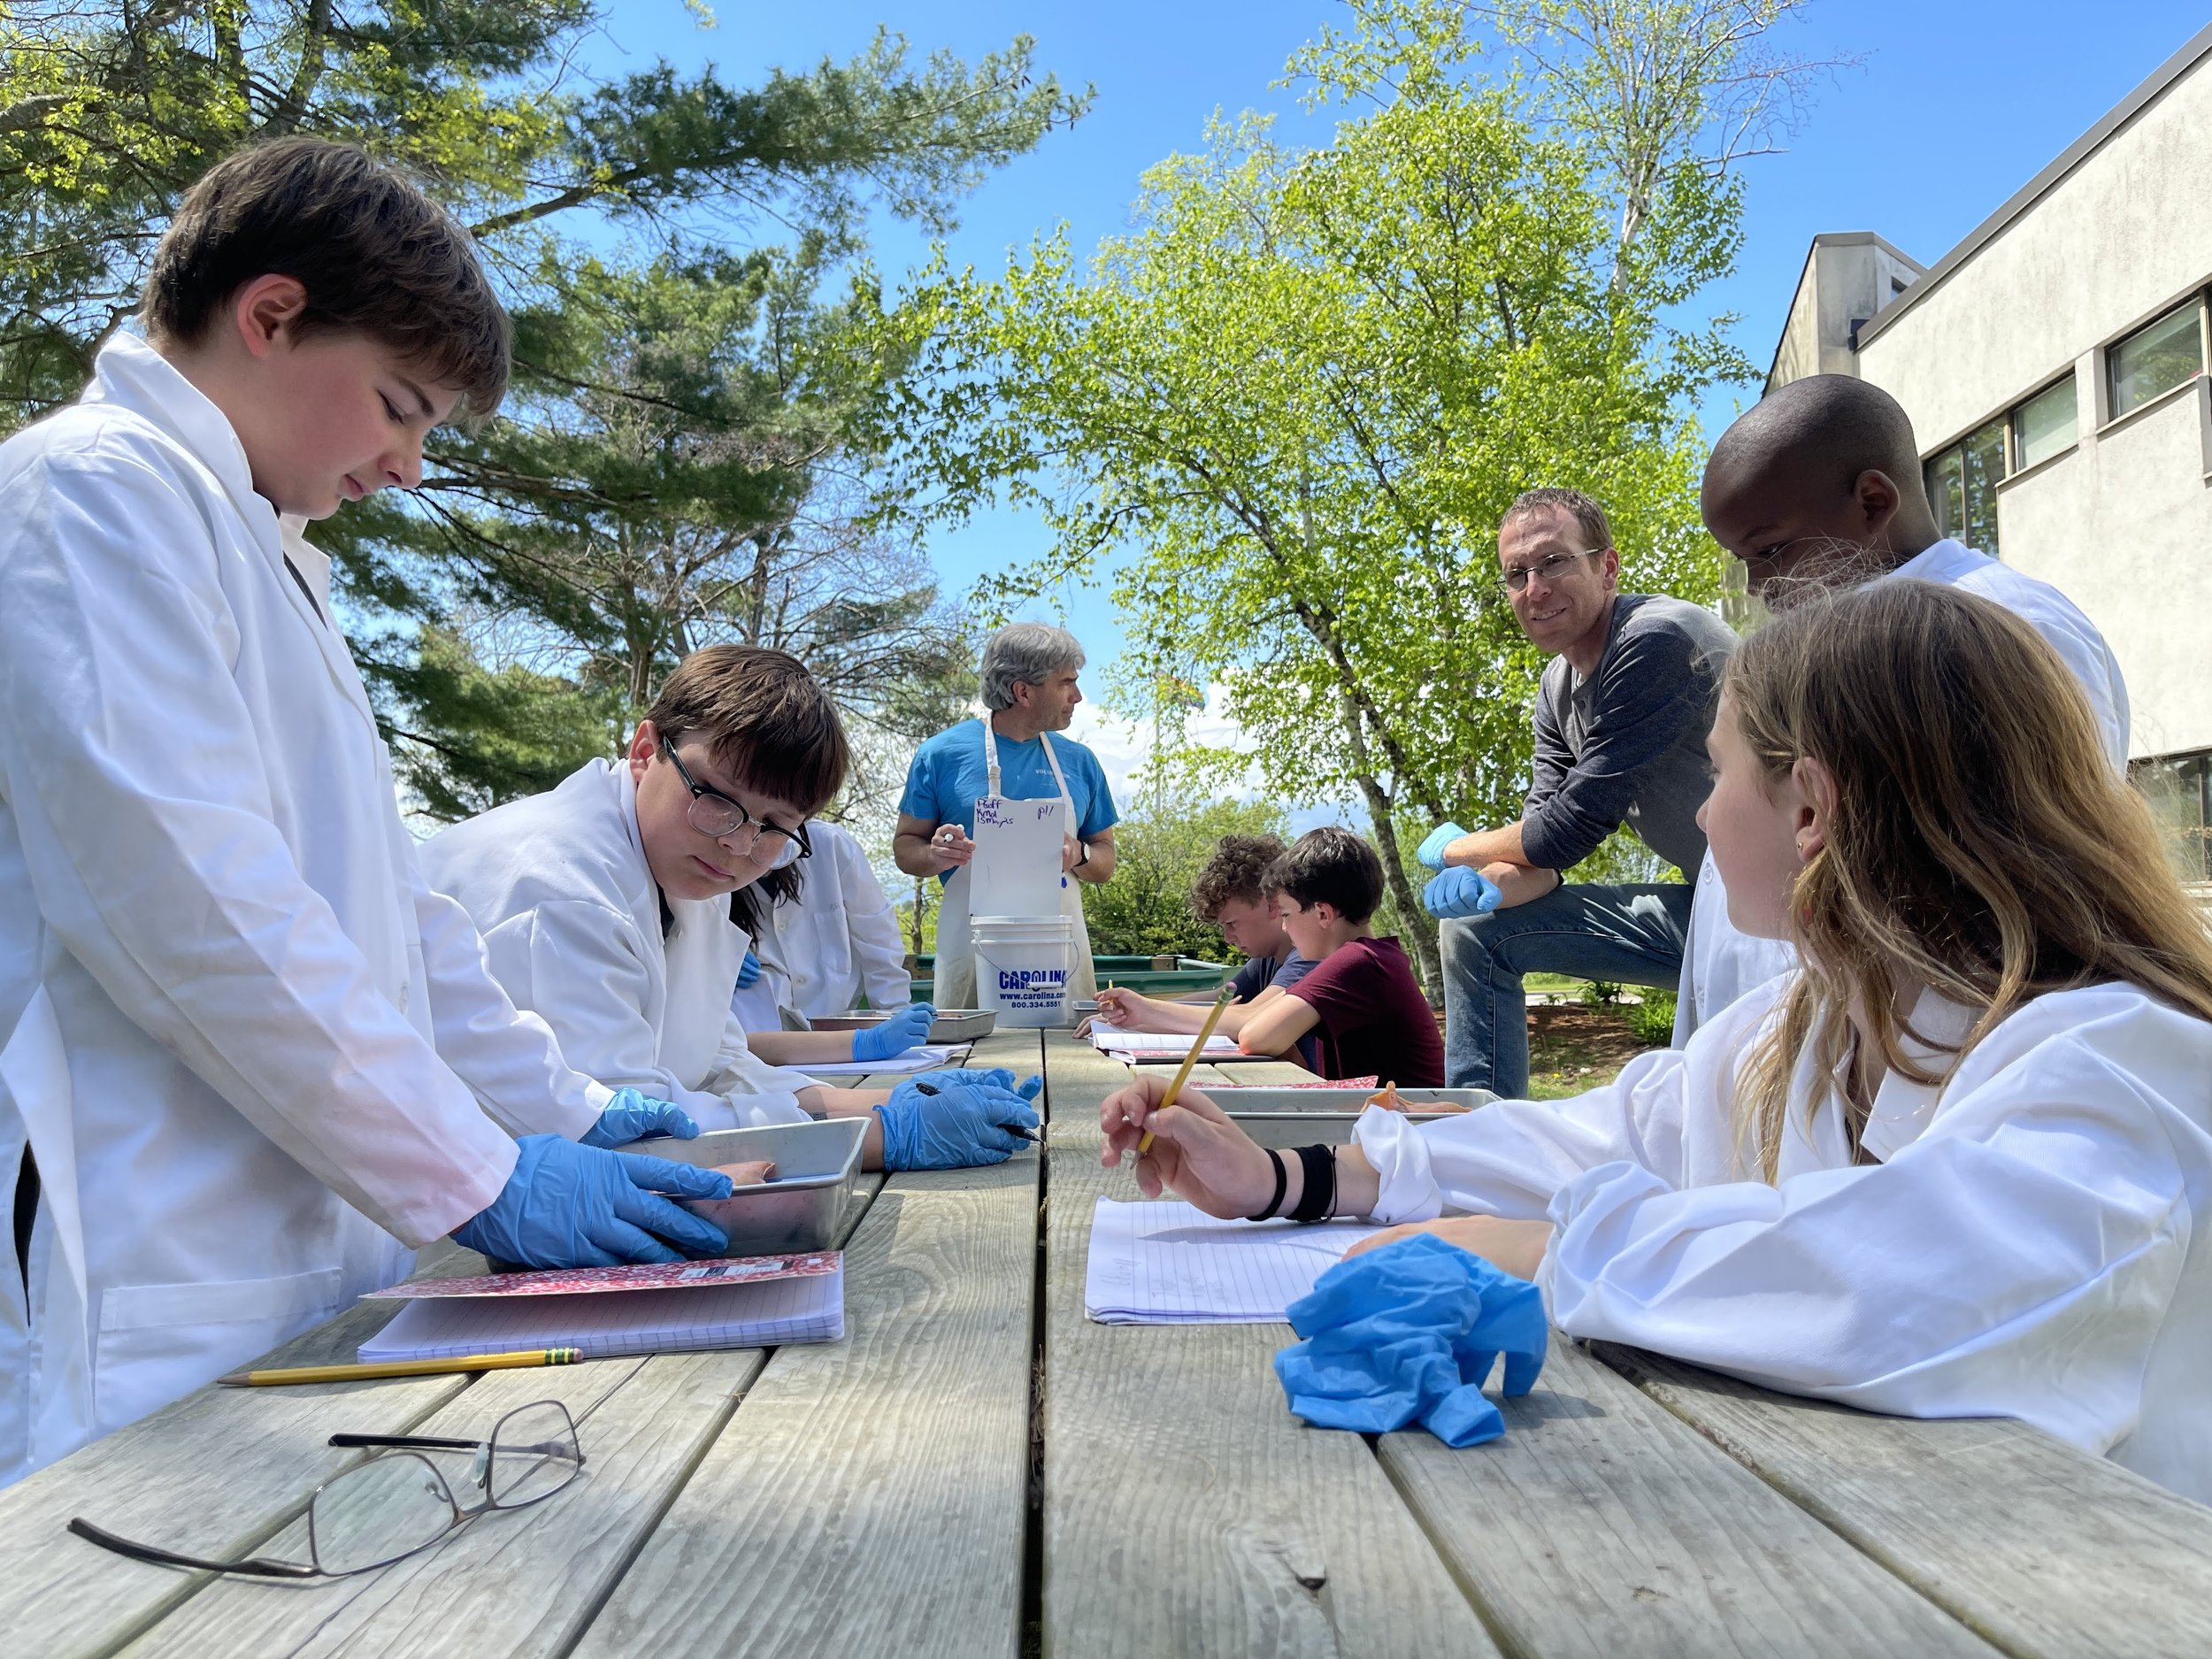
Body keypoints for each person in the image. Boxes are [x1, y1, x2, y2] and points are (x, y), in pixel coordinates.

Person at [1103, 582, 2212, 1504]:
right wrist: (1286, 1180)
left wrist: (1542, 1255)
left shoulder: (2116, 1055)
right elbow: (1612, 1136)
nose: (1701, 817)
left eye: (1721, 773)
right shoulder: (1822, 1017)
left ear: (1811, 809)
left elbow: (1911, 1285)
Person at [0, 140, 731, 1484]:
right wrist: (477, 1173)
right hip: (148, 1249)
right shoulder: (89, 496)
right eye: (400, 407)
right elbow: (189, 903)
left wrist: (559, 1103)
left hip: (300, 1247)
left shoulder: (270, 557)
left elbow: (383, 916)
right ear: (270, 316)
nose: (405, 464)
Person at [424, 645, 1038, 1171]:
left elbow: (718, 1063)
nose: (740, 844)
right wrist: (883, 1134)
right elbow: (618, 1131)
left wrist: (902, 1095)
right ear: (646, 750)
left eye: (777, 827)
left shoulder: (688, 872)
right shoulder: (560, 889)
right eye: (719, 799)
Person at [1676, 373, 2130, 1044]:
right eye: (1742, 562)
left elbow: (1998, 909)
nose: (1760, 585)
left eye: (1769, 550)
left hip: (1902, 1072)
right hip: (1776, 1064)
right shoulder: (1821, 638)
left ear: (1873, 500)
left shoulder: (2003, 629)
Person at [1417, 488, 1738, 1094]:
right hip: (1711, 909)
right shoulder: (1557, 687)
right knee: (1476, 928)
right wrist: (1490, 887)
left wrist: (1457, 851)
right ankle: (1478, 1143)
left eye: (1554, 561)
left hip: (1799, 914)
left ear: (1607, 566)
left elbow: (1570, 827)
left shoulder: (1658, 640)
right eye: (1516, 573)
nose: (1533, 588)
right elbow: (1543, 855)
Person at [1100, 828, 1444, 1087]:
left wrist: (1146, 1010)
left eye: (1288, 914)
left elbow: (1256, 1036)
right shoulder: (1370, 957)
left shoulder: (1358, 962)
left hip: (1412, 1136)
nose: (1284, 927)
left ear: (1323, 914)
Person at [894, 624, 1118, 1007]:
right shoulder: (941, 756)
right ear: (1023, 691)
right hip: (973, 958)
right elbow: (904, 848)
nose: (1077, 696)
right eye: (1066, 683)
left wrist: (1078, 854)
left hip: (1058, 963)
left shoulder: (1080, 762)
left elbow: (1106, 861)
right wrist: (935, 855)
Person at [1081, 833, 1320, 1067]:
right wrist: (1131, 1013)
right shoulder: (1268, 960)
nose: (1227, 938)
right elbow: (1217, 1000)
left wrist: (1145, 1012)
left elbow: (1252, 1016)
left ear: (1271, 905)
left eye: (1232, 924)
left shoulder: (1308, 957)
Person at [726, 818, 912, 1032]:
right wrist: (714, 955)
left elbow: (880, 946)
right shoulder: (713, 862)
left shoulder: (830, 845)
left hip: (835, 1030)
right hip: (757, 1037)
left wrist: (896, 1018)